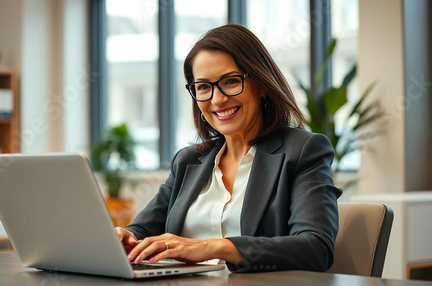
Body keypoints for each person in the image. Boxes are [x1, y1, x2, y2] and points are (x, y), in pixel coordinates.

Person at [115, 24, 342, 273]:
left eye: (231, 81)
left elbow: (315, 248)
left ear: (262, 83)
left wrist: (213, 247)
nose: (217, 99)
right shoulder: (188, 160)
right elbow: (144, 230)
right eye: (203, 87)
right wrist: (125, 237)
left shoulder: (304, 151)